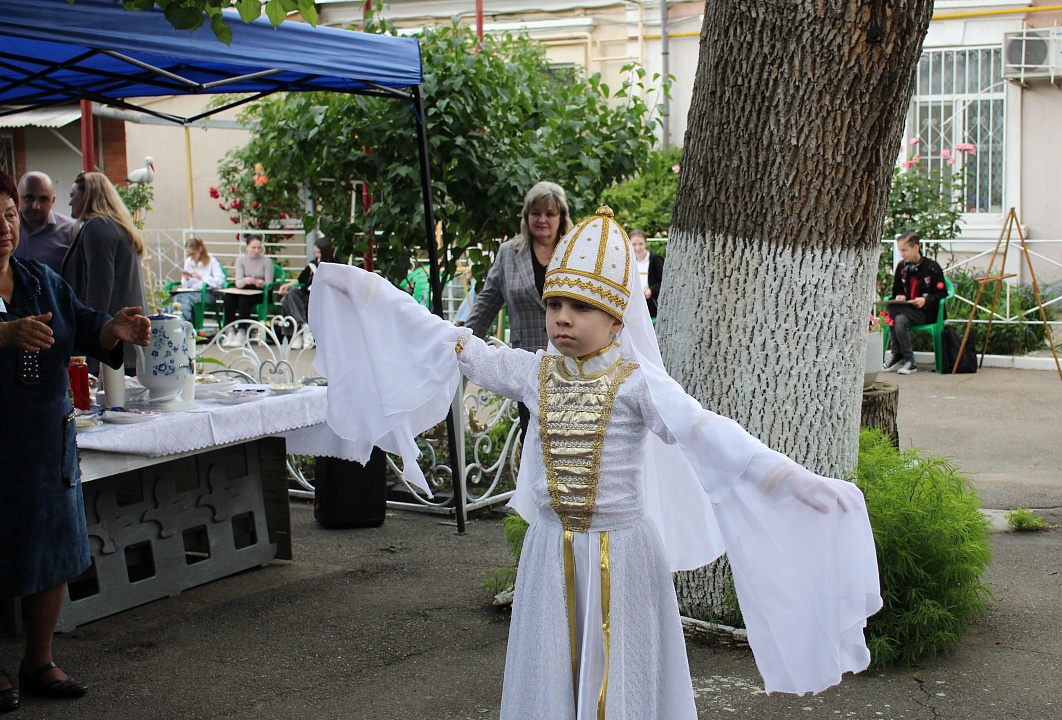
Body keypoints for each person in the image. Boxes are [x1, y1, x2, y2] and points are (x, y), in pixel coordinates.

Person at [310, 207, 882, 719]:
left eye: (581, 307)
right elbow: (457, 344)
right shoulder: (534, 373)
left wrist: (790, 479)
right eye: (554, 305)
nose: (562, 318)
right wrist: (370, 292)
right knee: (552, 665)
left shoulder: (636, 385)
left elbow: (706, 433)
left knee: (621, 670)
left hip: (624, 554)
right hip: (549, 552)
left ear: (616, 322)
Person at [0, 170, 152, 713]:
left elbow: (85, 323)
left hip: (46, 441)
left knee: (55, 547)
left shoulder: (39, 279)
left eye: (9, 215)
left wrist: (114, 328)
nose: (5, 227)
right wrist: (4, 334)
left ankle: (39, 660)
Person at [465, 181, 572, 437]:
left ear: (561, 216)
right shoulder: (508, 253)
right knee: (531, 437)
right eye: (535, 213)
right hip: (527, 365)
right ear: (526, 216)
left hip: (572, 359)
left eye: (549, 213)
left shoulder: (575, 252)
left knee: (570, 437)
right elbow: (487, 302)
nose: (542, 219)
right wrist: (462, 340)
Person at [60, 172, 147, 373]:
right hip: (123, 346)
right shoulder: (115, 225)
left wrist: (91, 349)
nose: (70, 202)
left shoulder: (98, 227)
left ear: (88, 195)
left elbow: (99, 289)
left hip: (110, 350)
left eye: (73, 195)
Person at [883, 230, 946, 375]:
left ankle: (897, 353)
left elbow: (942, 294)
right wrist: (900, 296)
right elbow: (897, 290)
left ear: (916, 248)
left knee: (891, 308)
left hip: (926, 313)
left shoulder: (932, 268)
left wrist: (925, 300)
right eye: (900, 250)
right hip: (907, 311)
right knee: (899, 319)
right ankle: (909, 361)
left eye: (904, 250)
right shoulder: (901, 267)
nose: (902, 254)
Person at [275, 235, 334, 350]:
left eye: (319, 253)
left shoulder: (334, 265)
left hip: (321, 297)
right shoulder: (312, 265)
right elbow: (299, 280)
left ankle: (296, 333)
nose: (317, 255)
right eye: (315, 252)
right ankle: (304, 326)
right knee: (290, 293)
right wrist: (287, 285)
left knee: (286, 300)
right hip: (307, 296)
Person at [13, 172, 75, 272]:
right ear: (17, 197)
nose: (36, 206)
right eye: (29, 198)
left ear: (53, 201)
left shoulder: (70, 231)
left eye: (43, 199)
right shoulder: (6, 228)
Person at [225, 234, 277, 348]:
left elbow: (269, 284)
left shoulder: (266, 261)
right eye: (253, 248)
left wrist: (260, 283)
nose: (256, 251)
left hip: (260, 292)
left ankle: (242, 331)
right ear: (247, 247)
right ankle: (230, 330)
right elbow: (238, 282)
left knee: (244, 300)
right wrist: (245, 280)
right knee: (229, 297)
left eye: (259, 248)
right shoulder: (241, 260)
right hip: (244, 288)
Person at [172, 237, 225, 326]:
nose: (191, 257)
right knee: (175, 300)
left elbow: (220, 281)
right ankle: (178, 325)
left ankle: (184, 327)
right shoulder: (189, 262)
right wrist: (186, 278)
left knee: (182, 299)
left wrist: (202, 278)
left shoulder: (211, 261)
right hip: (190, 292)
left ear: (200, 249)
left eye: (193, 254)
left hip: (207, 293)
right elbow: (185, 286)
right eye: (189, 254)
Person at [628, 229, 664, 319]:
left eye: (641, 244)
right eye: (634, 244)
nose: (637, 248)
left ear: (645, 243)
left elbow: (665, 282)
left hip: (650, 303)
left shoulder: (655, 260)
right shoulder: (628, 261)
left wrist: (651, 290)